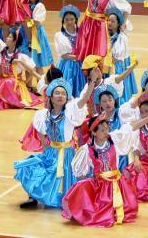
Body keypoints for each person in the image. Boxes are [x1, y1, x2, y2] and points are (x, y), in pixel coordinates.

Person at [15, 77, 94, 209]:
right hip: (51, 151)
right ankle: (33, 196)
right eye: (57, 93)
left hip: (67, 154)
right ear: (50, 97)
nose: (60, 96)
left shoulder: (69, 115)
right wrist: (45, 146)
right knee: (30, 165)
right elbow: (40, 130)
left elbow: (83, 100)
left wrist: (91, 83)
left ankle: (62, 198)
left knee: (63, 176)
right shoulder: (44, 115)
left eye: (63, 93)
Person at [62, 113, 138, 227]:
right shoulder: (87, 149)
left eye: (107, 129)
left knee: (126, 207)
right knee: (98, 208)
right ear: (94, 132)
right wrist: (86, 189)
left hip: (117, 182)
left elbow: (130, 129)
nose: (106, 132)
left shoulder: (114, 141)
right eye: (102, 130)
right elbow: (80, 171)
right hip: (101, 184)